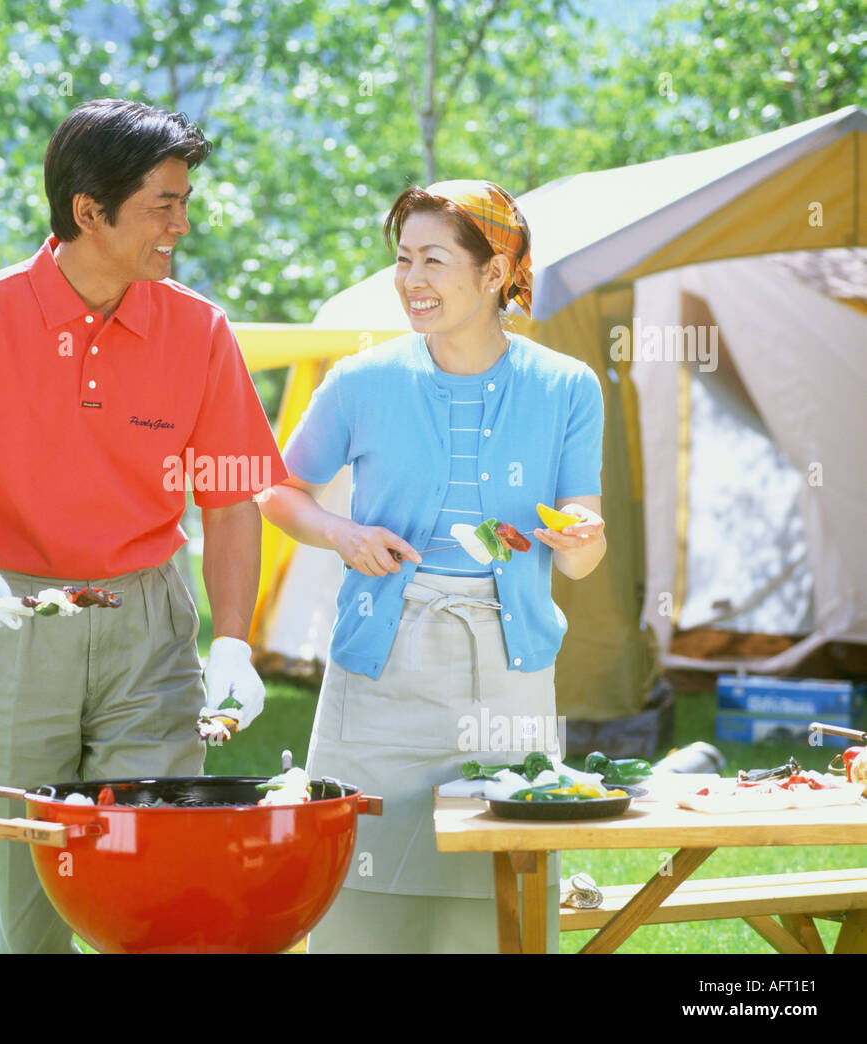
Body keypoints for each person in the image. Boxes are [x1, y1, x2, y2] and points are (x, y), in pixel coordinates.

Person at [0, 99, 287, 953]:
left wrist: (233, 643)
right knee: (34, 892)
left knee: (157, 877)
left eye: (184, 201)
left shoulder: (199, 330)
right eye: (164, 204)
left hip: (151, 632)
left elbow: (231, 499)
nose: (182, 225)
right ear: (89, 211)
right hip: (18, 627)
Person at [258, 180, 607, 953]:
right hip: (381, 664)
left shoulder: (566, 387)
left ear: (494, 273)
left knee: (499, 889)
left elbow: (586, 535)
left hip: (509, 670)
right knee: (359, 893)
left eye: (434, 259)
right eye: (403, 258)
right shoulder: (362, 380)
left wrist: (583, 542)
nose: (411, 279)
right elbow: (281, 492)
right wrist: (341, 534)